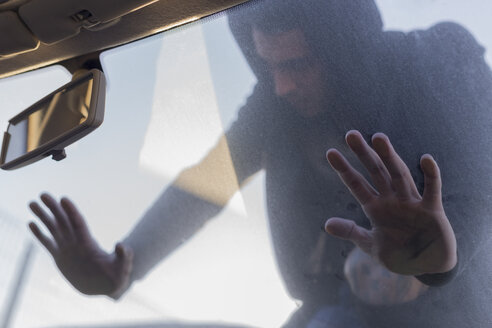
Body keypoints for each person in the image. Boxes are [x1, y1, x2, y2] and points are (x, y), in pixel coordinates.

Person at [28, 0, 492, 327]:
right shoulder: (275, 110)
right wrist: (123, 265)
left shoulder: (432, 60)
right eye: (270, 67)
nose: (282, 86)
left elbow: (483, 177)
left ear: (344, 53)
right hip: (330, 311)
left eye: (299, 64)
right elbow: (206, 185)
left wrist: (439, 256)